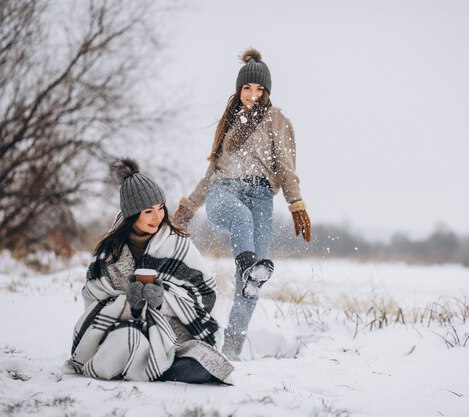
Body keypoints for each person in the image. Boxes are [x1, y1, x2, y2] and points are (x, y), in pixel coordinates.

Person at [173, 49, 311, 360]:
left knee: (251, 286)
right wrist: (188, 209)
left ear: (267, 92)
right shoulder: (230, 121)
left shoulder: (277, 119)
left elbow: (286, 167)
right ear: (239, 89)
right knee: (241, 220)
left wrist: (296, 203)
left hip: (261, 196)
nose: (252, 95)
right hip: (225, 191)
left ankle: (231, 352)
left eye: (259, 89)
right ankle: (247, 265)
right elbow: (213, 171)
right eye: (247, 88)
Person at [63, 158, 233, 384]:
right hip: (123, 329)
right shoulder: (108, 253)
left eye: (161, 208)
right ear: (132, 214)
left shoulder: (178, 244)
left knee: (205, 363)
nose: (158, 217)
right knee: (127, 340)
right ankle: (148, 366)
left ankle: (146, 366)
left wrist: (164, 301)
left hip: (173, 334)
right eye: (148, 211)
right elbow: (93, 299)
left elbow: (206, 294)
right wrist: (128, 306)